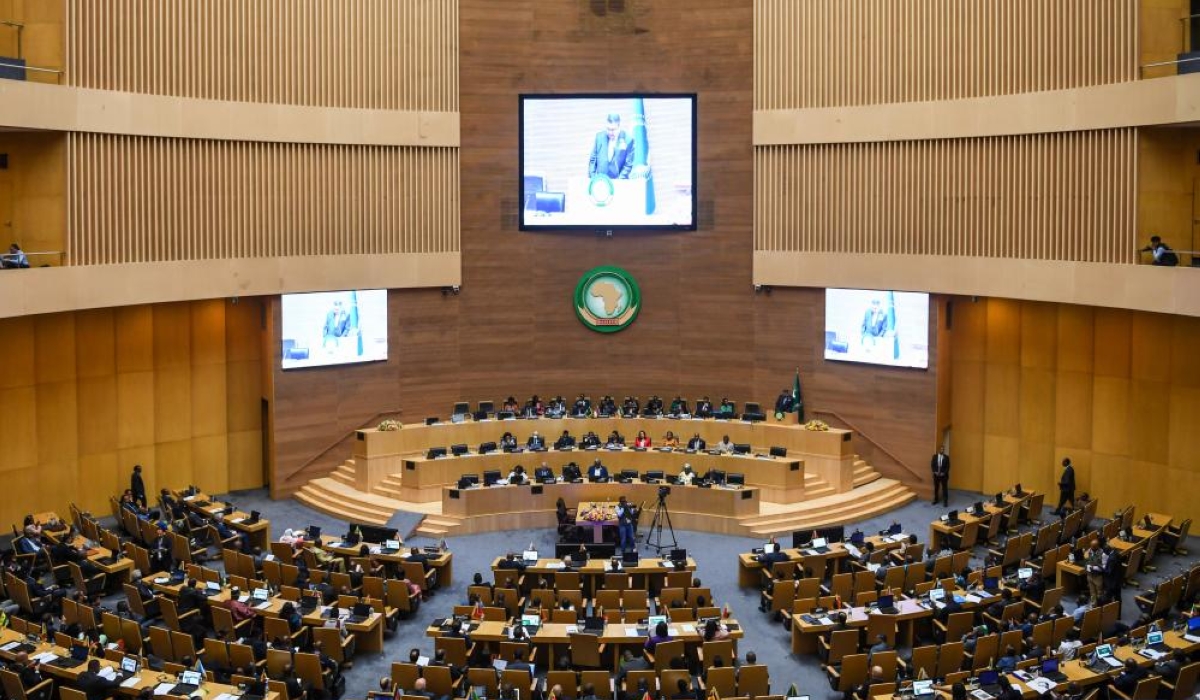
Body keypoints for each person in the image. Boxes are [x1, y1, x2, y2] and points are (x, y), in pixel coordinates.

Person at [588, 113, 634, 180]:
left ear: (619, 127)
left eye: (613, 130)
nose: (610, 132)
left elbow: (628, 165)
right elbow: (592, 160)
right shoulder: (599, 137)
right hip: (600, 182)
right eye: (608, 129)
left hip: (619, 183)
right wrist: (593, 179)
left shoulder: (628, 140)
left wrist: (618, 182)